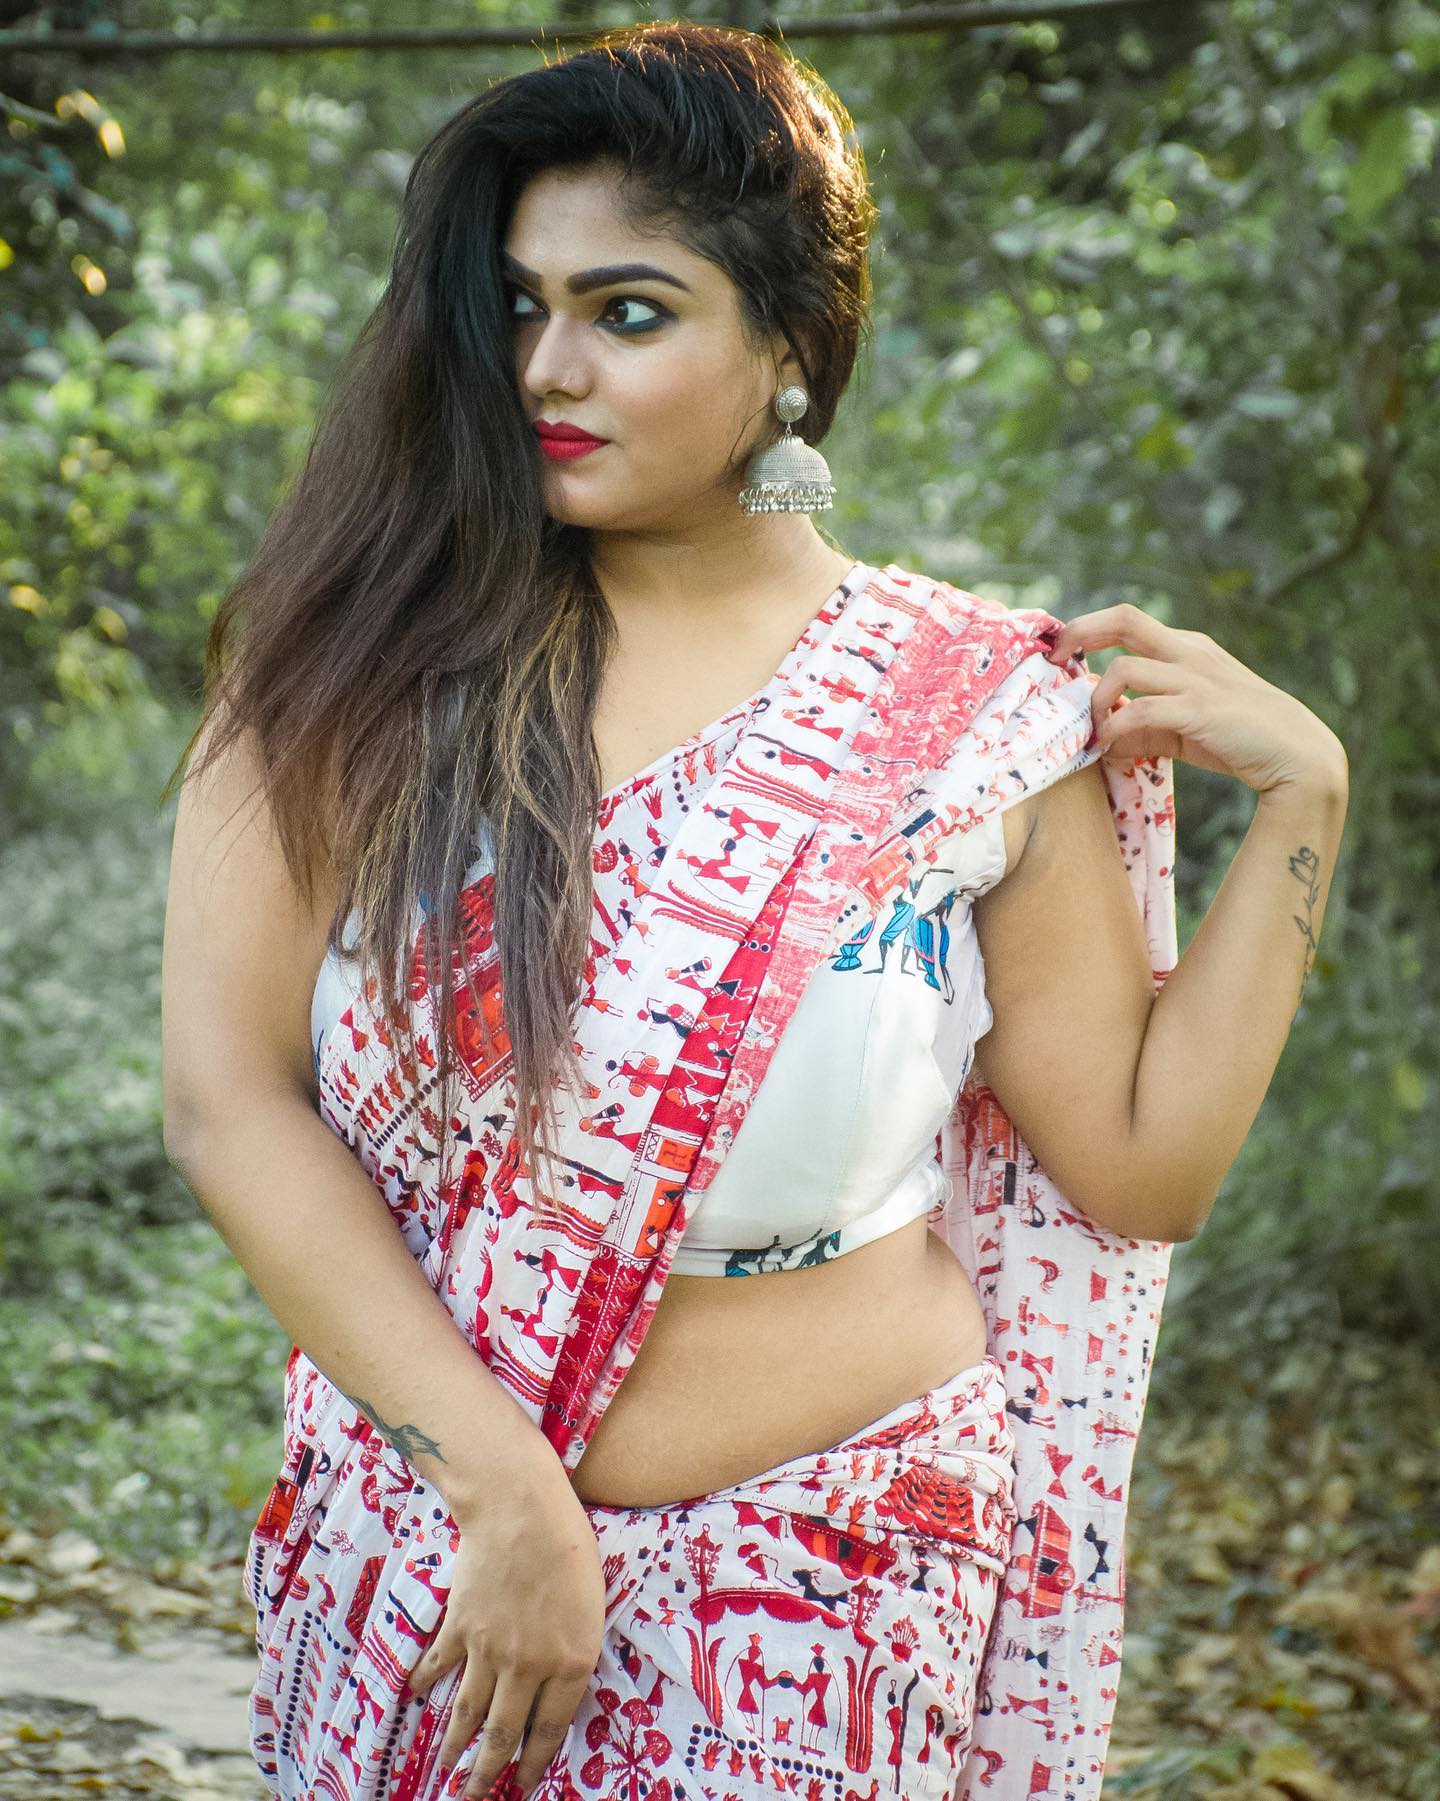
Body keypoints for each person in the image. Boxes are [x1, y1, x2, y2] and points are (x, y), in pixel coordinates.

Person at [159, 22, 1349, 1801]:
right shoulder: (351, 669)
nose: (546, 365)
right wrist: (504, 1497)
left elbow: (1139, 1167)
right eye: (518, 304)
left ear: (790, 348)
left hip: (840, 1584)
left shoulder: (968, 713)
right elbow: (226, 1101)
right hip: (435, 1565)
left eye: (629, 312)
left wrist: (1307, 800)